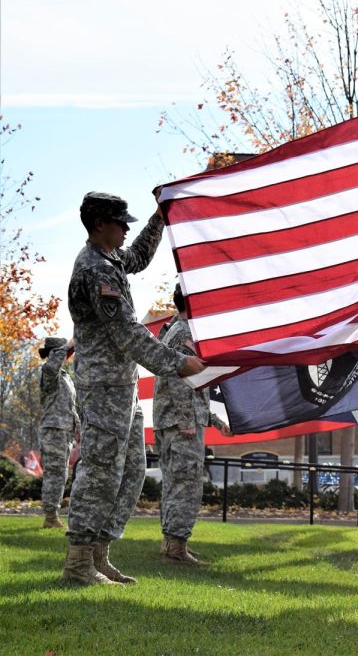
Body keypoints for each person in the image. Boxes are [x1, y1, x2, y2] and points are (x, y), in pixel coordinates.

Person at [63, 191, 205, 586]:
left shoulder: (110, 260)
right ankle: (77, 563)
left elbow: (138, 257)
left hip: (120, 386)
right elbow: (128, 334)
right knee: (100, 471)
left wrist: (160, 218)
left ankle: (99, 555)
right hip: (103, 386)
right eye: (120, 222)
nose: (127, 228)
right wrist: (179, 364)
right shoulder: (95, 270)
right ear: (99, 225)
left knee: (130, 471)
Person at [153, 284, 229, 565]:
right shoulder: (184, 333)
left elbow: (193, 387)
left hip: (174, 420)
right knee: (186, 483)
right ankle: (175, 547)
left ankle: (171, 543)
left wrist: (215, 421)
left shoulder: (177, 329)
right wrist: (187, 421)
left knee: (175, 483)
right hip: (180, 422)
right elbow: (178, 380)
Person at [37, 337, 78, 529]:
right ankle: (51, 516)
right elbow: (52, 365)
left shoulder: (64, 377)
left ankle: (52, 515)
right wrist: (66, 346)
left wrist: (77, 429)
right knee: (55, 474)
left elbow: (71, 407)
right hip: (53, 430)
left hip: (64, 431)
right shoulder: (49, 373)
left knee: (60, 474)